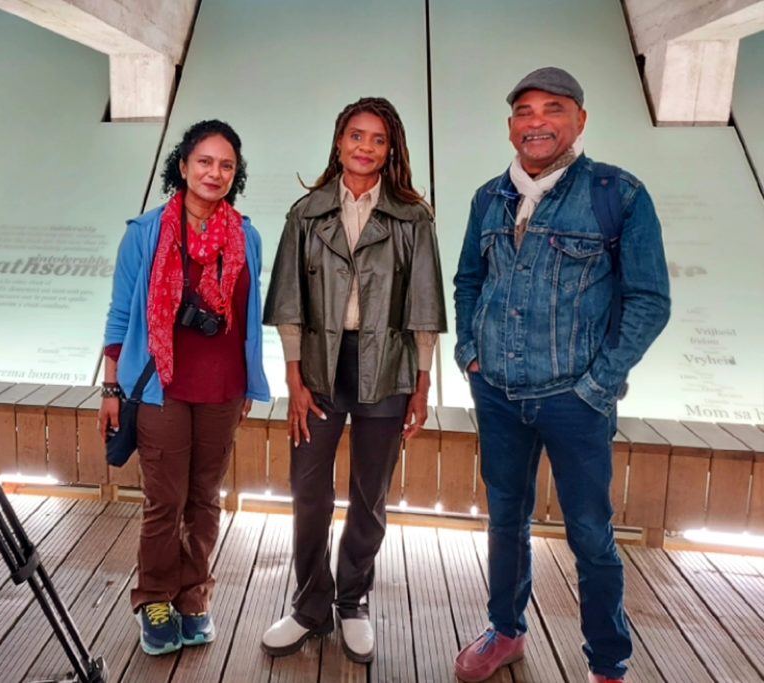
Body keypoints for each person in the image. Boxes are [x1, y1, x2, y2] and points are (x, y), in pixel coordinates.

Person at [452, 67, 670, 683]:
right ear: (512, 125)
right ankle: (506, 631)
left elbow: (649, 299)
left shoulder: (618, 194)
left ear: (580, 119)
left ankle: (608, 662)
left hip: (576, 400)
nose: (537, 121)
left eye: (552, 108)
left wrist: (599, 385)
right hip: (496, 395)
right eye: (524, 110)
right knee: (505, 521)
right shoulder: (488, 198)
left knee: (591, 536)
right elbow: (469, 280)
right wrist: (470, 354)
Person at [261, 97, 446, 664]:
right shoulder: (305, 213)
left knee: (371, 494)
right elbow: (289, 305)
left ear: (392, 150)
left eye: (378, 139)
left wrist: (421, 383)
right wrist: (293, 380)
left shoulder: (413, 217)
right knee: (308, 490)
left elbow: (423, 308)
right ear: (339, 142)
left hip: (387, 370)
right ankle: (310, 604)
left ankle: (353, 601)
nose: (365, 147)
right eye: (356, 136)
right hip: (317, 370)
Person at [99, 120, 270, 656]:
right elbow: (121, 313)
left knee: (205, 500)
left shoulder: (247, 235)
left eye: (225, 165)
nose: (214, 172)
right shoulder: (146, 232)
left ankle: (194, 596)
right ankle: (154, 597)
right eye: (204, 161)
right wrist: (109, 388)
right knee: (164, 500)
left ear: (235, 174)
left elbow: (247, 316)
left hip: (222, 387)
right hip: (160, 387)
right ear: (183, 166)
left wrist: (247, 382)